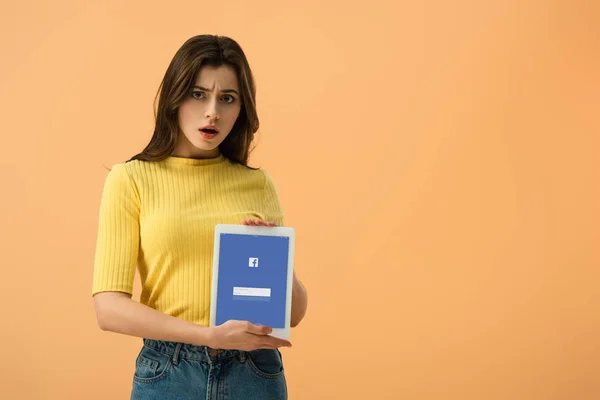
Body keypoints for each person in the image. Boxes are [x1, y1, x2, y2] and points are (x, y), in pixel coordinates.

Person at [91, 34, 308, 400]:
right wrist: (208, 336)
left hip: (253, 370)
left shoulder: (256, 184)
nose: (213, 112)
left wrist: (275, 257)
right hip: (168, 370)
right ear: (174, 97)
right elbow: (108, 308)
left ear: (241, 109)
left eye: (227, 98)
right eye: (198, 94)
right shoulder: (130, 179)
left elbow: (296, 313)